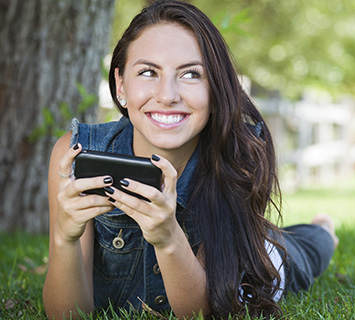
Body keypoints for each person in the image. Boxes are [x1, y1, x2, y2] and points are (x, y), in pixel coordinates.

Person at [42, 0, 338, 319]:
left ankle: (323, 229)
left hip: (245, 264)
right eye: (147, 72)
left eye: (190, 74)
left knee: (300, 250)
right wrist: (65, 237)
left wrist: (168, 236)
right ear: (121, 85)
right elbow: (67, 315)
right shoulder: (76, 154)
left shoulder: (238, 156)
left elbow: (199, 312)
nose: (168, 95)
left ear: (215, 88)